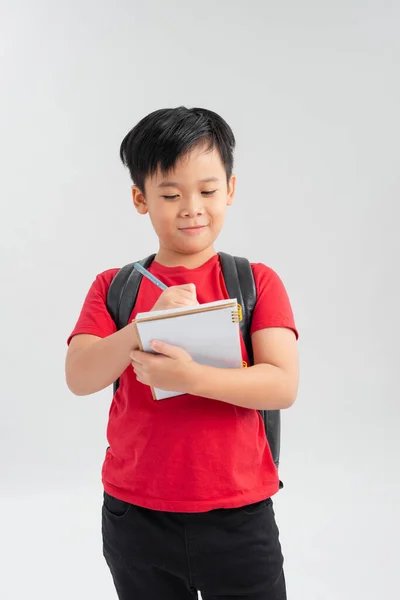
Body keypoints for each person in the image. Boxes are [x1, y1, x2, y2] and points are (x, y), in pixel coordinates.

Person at [65, 106, 299, 600]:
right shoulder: (116, 287)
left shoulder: (254, 282)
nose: (191, 206)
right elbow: (80, 375)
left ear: (230, 191)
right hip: (136, 516)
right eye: (170, 194)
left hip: (239, 515)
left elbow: (281, 384)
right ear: (140, 199)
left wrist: (191, 377)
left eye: (208, 191)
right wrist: (142, 327)